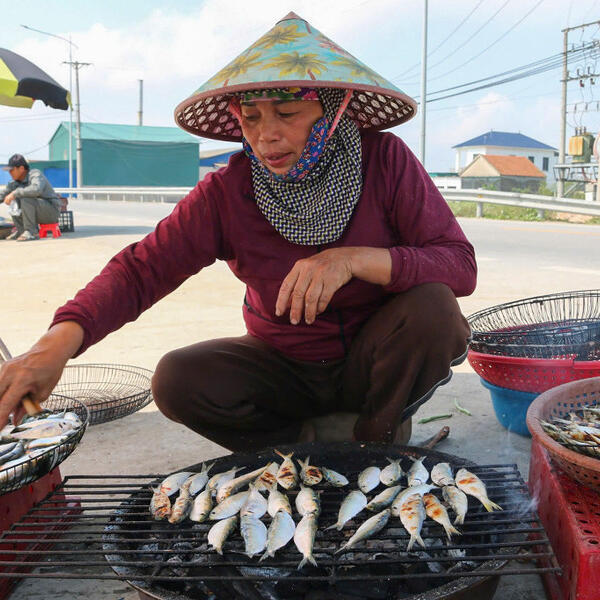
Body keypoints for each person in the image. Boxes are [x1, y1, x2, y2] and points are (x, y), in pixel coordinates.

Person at [0, 13, 475, 451]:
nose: (266, 136)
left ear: (332, 111)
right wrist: (54, 346)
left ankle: (377, 437)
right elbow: (141, 270)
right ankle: (303, 444)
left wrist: (354, 259)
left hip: (373, 364)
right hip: (282, 368)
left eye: (286, 114)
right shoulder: (227, 191)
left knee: (434, 308)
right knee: (177, 378)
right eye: (251, 118)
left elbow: (458, 264)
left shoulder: (385, 160)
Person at [1, 154, 60, 241]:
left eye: (12, 170)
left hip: (51, 212)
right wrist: (12, 195)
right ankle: (21, 231)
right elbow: (2, 195)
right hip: (36, 212)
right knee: (13, 201)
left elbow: (36, 189)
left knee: (25, 198)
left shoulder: (35, 174)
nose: (10, 173)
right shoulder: (14, 183)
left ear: (21, 168)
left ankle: (32, 232)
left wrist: (15, 193)